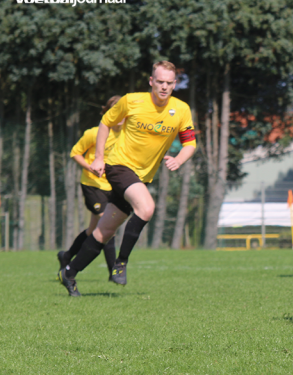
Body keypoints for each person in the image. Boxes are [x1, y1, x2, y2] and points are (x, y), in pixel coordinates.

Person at [57, 61, 197, 297]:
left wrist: (179, 160)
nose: (164, 87)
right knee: (147, 207)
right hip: (118, 166)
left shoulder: (181, 109)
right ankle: (120, 263)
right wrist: (99, 158)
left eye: (169, 83)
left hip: (143, 176)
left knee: (104, 231)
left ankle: (69, 273)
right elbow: (105, 123)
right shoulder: (132, 100)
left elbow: (190, 143)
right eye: (160, 81)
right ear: (151, 81)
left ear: (175, 84)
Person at [57, 95, 124, 280]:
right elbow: (75, 153)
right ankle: (113, 272)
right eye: (118, 110)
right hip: (92, 185)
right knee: (107, 223)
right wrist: (91, 167)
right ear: (110, 113)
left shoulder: (128, 134)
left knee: (92, 231)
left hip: (114, 188)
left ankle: (67, 256)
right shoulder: (94, 133)